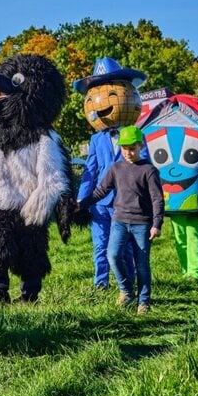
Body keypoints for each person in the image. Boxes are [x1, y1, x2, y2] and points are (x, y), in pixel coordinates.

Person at [78, 126, 163, 314]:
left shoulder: (149, 170)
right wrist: (81, 204)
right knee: (113, 255)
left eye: (132, 148)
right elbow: (101, 191)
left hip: (142, 223)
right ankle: (126, 291)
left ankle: (144, 301)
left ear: (140, 145)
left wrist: (156, 224)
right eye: (125, 148)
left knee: (141, 263)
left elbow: (157, 198)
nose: (128, 152)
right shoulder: (116, 169)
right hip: (120, 221)